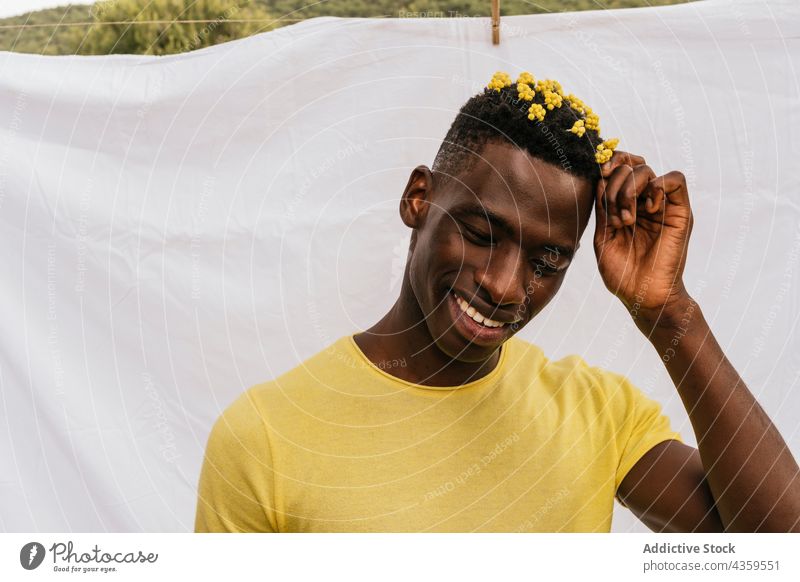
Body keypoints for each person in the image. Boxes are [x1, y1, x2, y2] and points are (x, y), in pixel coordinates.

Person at [194, 70, 800, 532]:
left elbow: (779, 540)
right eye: (482, 234)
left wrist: (668, 310)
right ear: (418, 199)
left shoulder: (595, 412)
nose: (508, 287)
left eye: (547, 262)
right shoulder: (263, 437)